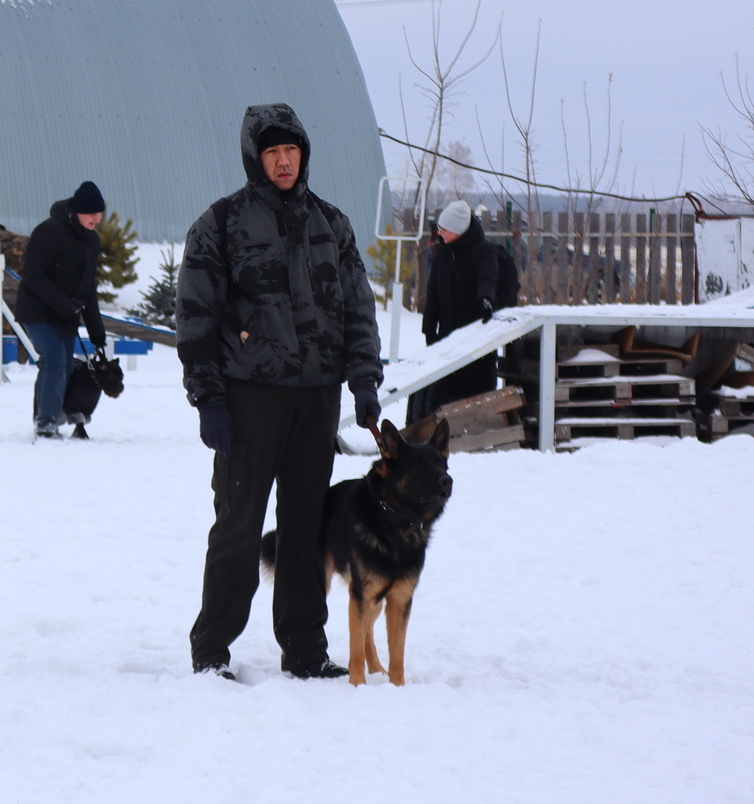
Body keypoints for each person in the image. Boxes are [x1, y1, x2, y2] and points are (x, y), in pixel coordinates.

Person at [177, 103, 382, 681]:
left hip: (316, 399)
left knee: (304, 527)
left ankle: (304, 648)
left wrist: (363, 379)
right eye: (272, 152)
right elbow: (195, 319)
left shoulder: (332, 224)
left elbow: (357, 308)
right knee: (239, 526)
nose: (284, 161)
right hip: (249, 401)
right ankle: (212, 648)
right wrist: (209, 398)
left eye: (291, 150)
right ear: (254, 158)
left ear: (304, 154)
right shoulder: (221, 225)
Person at [15, 182, 111, 439]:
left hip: (66, 314)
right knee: (55, 361)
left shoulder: (91, 240)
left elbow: (88, 287)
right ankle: (45, 423)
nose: (96, 217)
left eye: (99, 212)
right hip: (37, 311)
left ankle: (51, 415)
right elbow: (33, 276)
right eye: (91, 212)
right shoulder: (49, 233)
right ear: (77, 210)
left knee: (65, 365)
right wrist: (63, 304)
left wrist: (96, 331)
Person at [408, 199, 516, 420]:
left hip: (478, 337)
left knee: (477, 390)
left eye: (444, 229)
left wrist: (486, 301)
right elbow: (433, 294)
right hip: (447, 338)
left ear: (458, 230)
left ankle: (481, 431)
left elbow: (488, 279)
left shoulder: (484, 251)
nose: (439, 233)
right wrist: (429, 329)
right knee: (446, 393)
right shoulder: (442, 255)